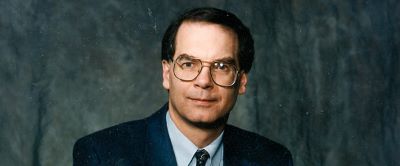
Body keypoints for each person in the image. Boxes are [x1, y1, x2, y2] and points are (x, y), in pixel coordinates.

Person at [73, 7, 293, 166]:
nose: (204, 81)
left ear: (242, 81)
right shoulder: (102, 155)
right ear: (167, 74)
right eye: (188, 64)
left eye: (221, 66)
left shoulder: (272, 159)